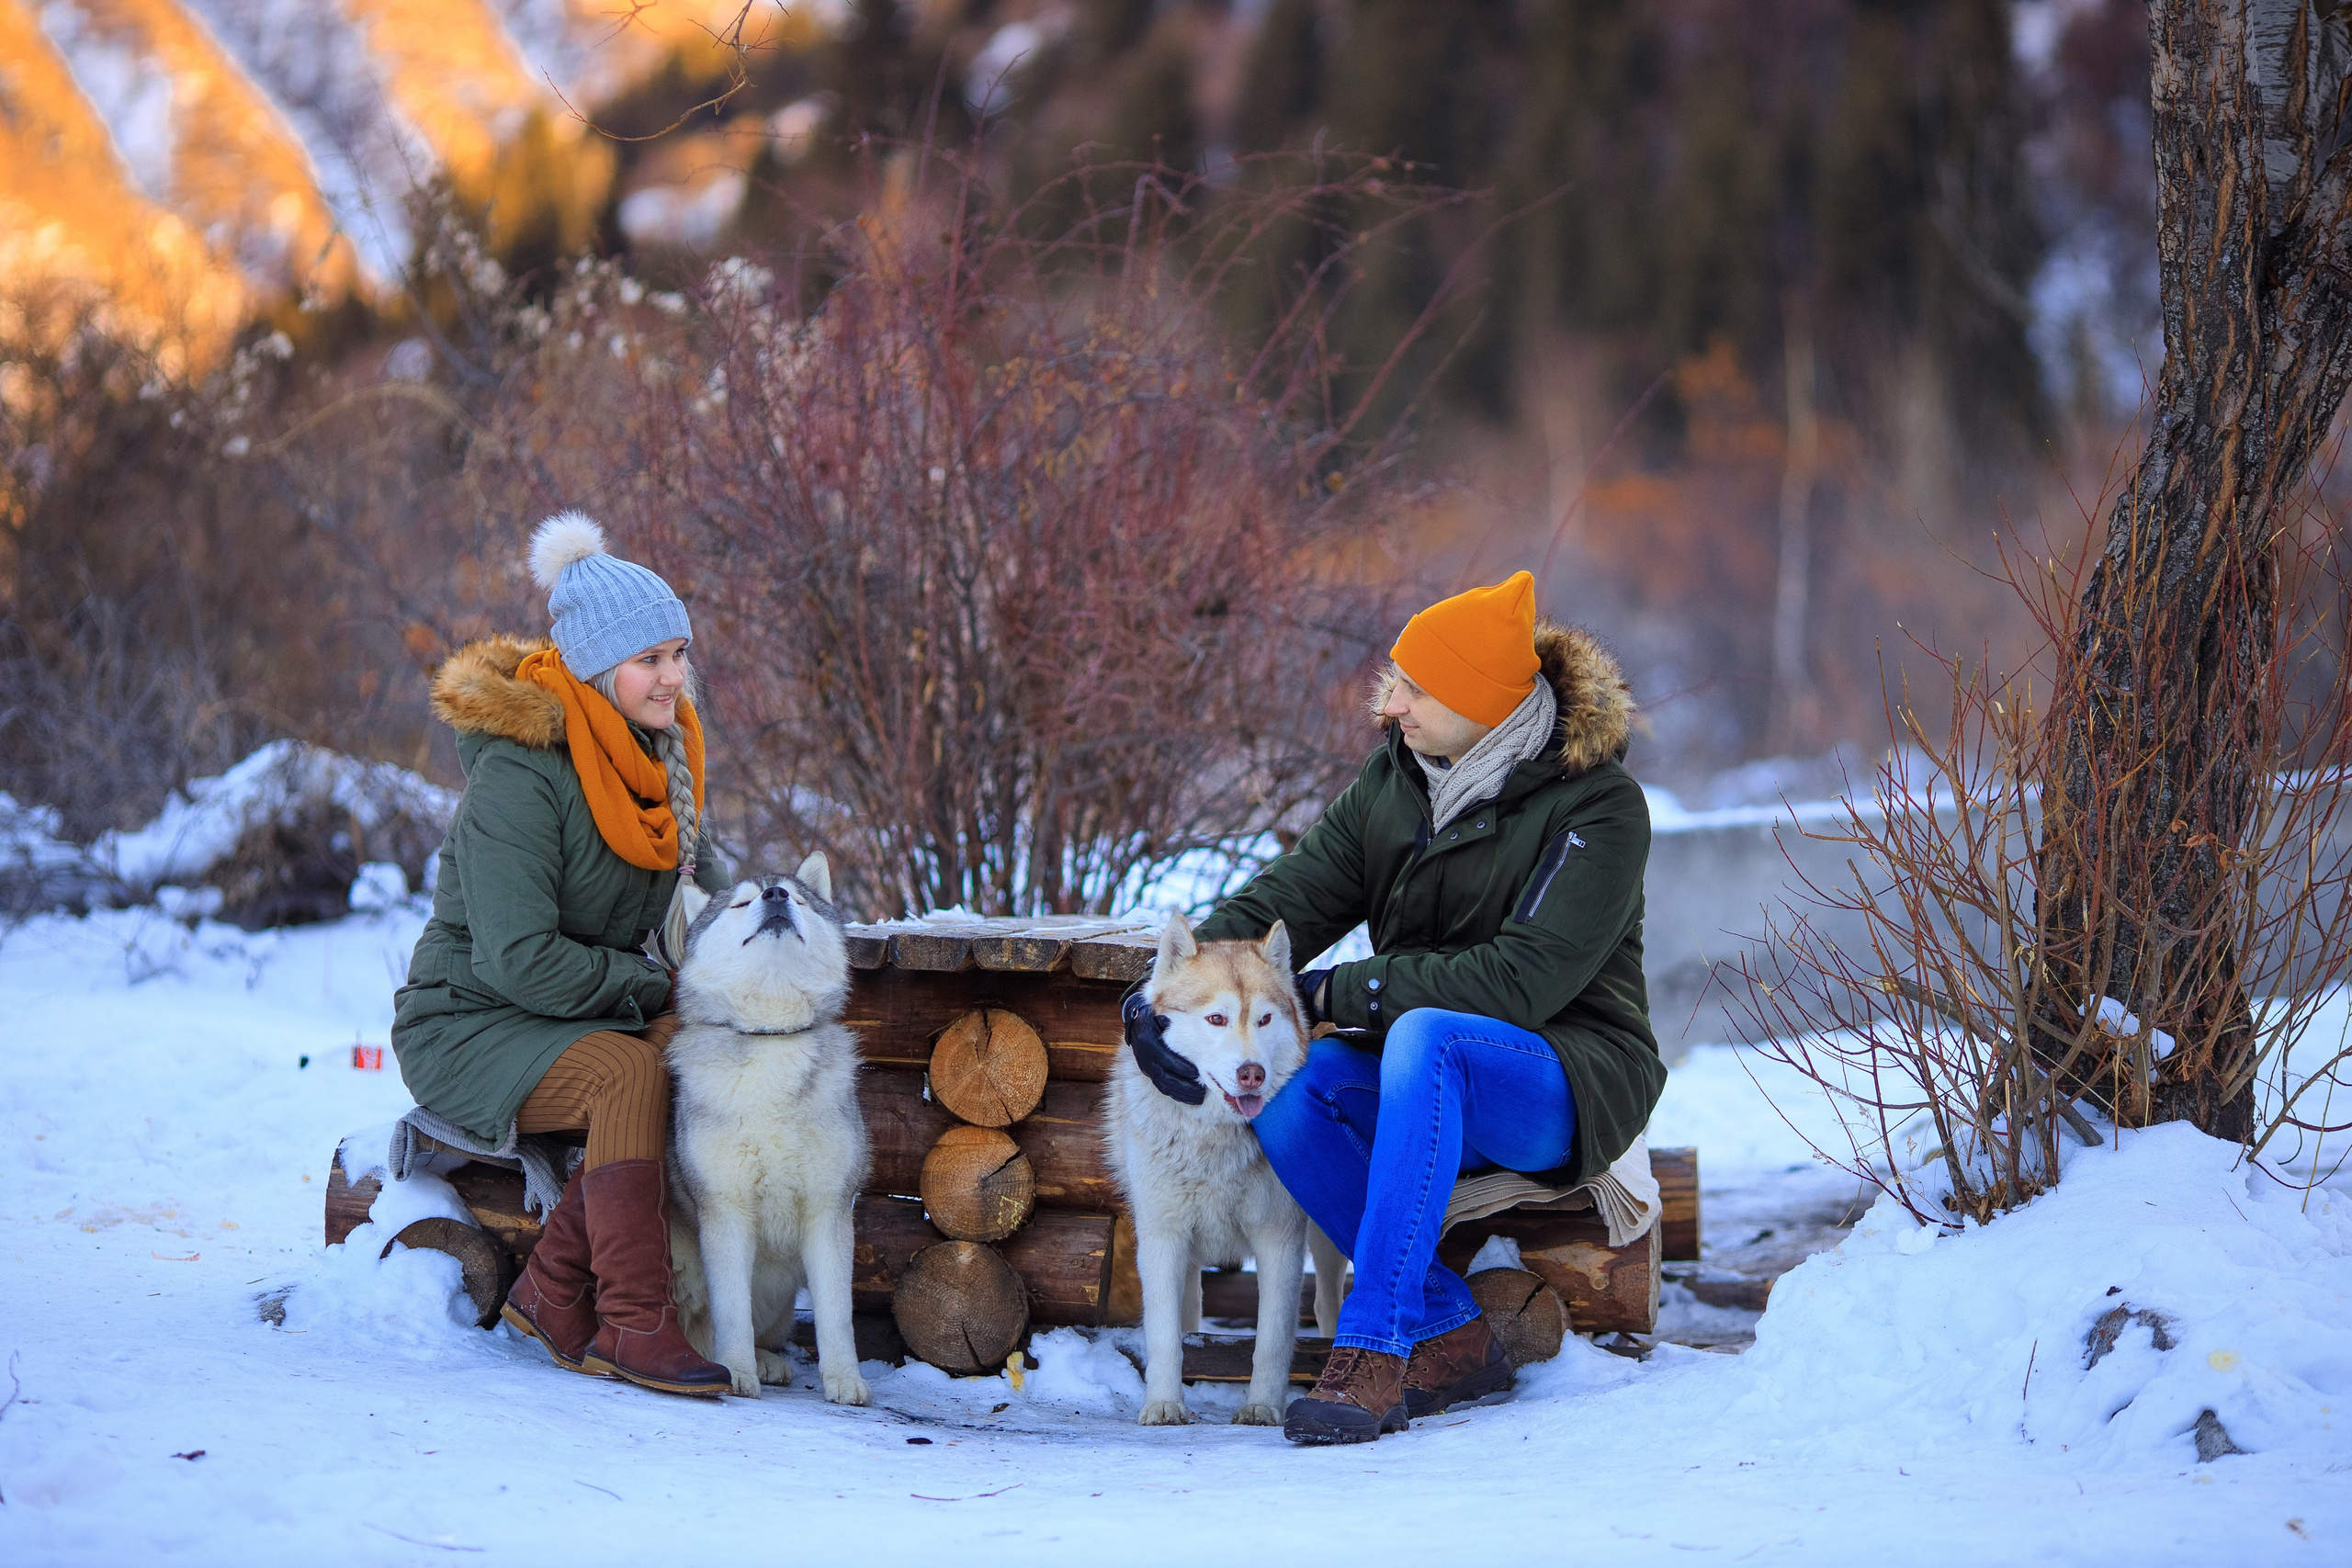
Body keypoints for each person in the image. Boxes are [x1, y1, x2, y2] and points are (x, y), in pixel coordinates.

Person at [1123, 571, 1662, 1444]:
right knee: (1294, 1095)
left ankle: (1372, 1344)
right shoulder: (1395, 781)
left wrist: (1340, 991)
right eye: (1396, 680)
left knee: (1423, 1034)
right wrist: (1155, 999)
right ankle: (1449, 1332)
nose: (1394, 702)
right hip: (1421, 1071)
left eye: (1418, 687)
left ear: (1484, 699)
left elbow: (1523, 981)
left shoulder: (1599, 809)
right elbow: (1284, 897)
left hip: (1561, 1079)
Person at [391, 513, 733, 1396]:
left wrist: (774, 925)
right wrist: (641, 984)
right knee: (629, 1074)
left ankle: (548, 1288)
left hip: (566, 1014)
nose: (670, 678)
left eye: (677, 654)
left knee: (680, 1049)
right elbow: (518, 961)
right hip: (470, 1021)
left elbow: (708, 886)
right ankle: (633, 1321)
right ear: (594, 667)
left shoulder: (656, 762)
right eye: (647, 659)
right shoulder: (522, 772)